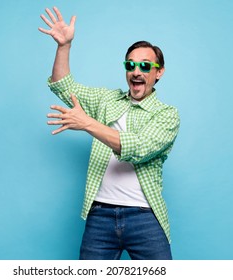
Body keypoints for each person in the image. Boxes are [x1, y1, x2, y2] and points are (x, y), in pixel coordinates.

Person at [39, 6, 180, 260]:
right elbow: (63, 87)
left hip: (145, 217)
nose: (136, 71)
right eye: (131, 65)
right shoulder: (107, 100)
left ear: (158, 72)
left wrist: (87, 123)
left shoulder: (167, 114)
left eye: (145, 66)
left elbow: (137, 149)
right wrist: (64, 47)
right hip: (100, 216)